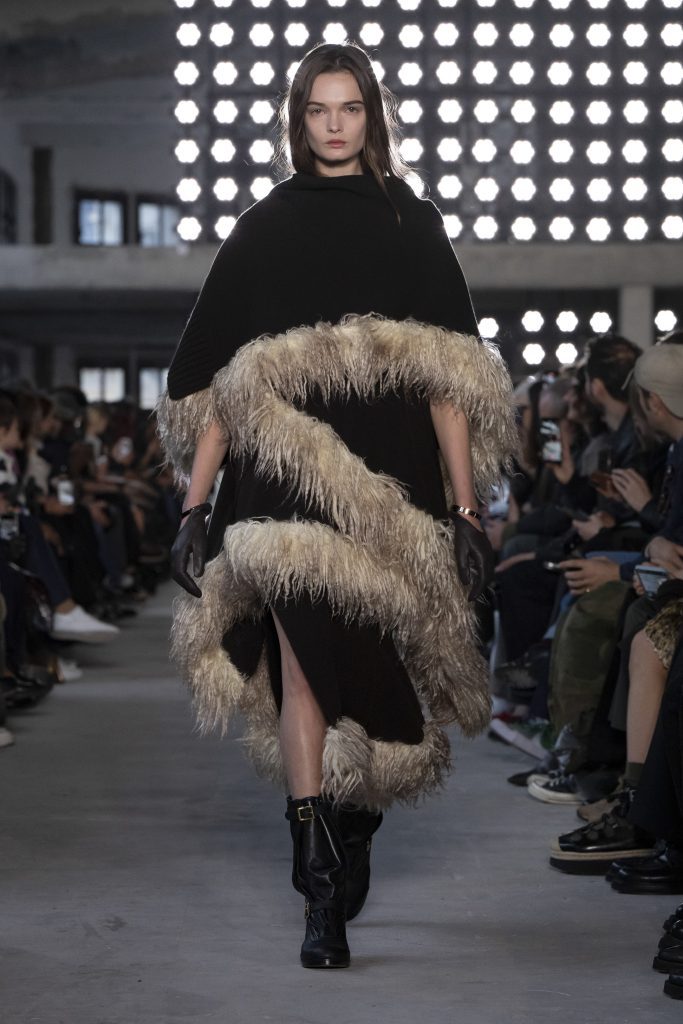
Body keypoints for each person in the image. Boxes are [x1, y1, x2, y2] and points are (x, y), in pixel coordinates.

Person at [158, 43, 516, 970]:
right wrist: (194, 508)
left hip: (389, 485)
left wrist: (466, 512)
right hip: (281, 481)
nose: (332, 125)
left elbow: (446, 381)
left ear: (371, 116)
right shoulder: (263, 228)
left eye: (348, 108)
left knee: (371, 664)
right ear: (297, 119)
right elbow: (225, 384)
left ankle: (349, 823)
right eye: (317, 109)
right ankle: (318, 879)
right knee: (304, 664)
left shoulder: (410, 222)